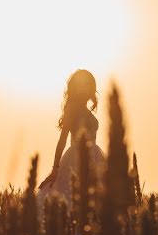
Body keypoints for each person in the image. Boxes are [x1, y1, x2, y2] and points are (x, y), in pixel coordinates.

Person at [37, 69, 106, 206]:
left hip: (95, 157)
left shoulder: (86, 110)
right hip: (76, 157)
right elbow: (62, 139)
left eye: (88, 85)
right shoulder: (72, 108)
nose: (85, 89)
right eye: (82, 85)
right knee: (73, 196)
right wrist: (55, 168)